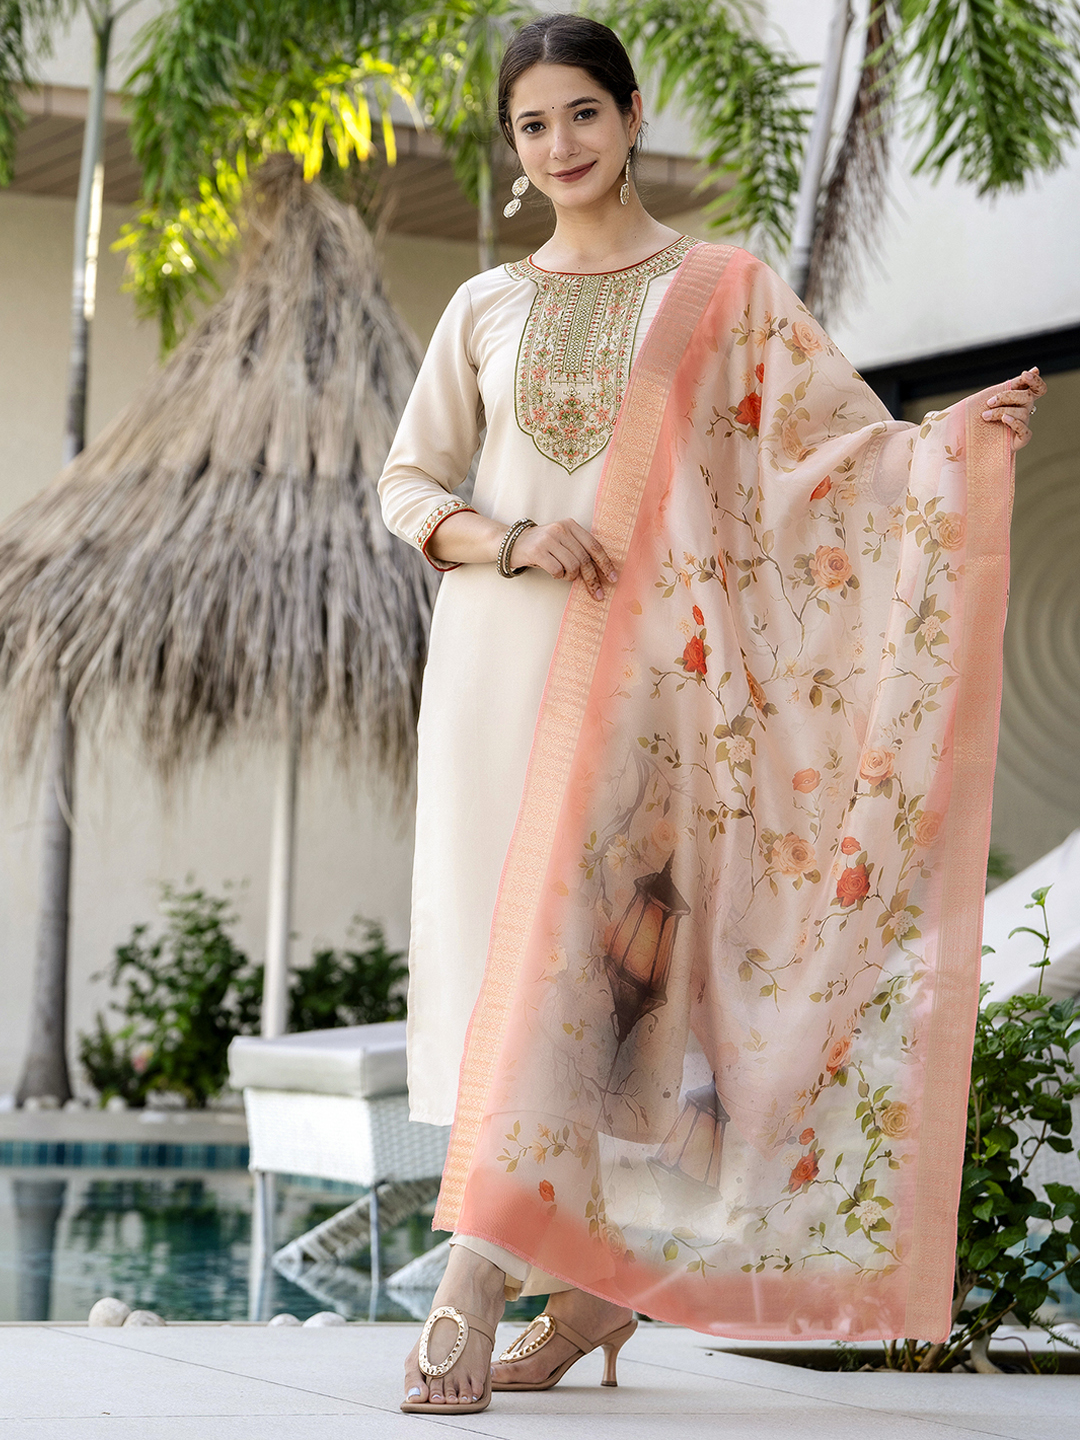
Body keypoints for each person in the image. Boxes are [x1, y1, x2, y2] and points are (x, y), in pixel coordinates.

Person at [378, 13, 1043, 1418]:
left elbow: (824, 459)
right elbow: (408, 483)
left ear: (632, 115)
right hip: (495, 674)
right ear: (512, 151)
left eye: (582, 113)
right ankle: (589, 1297)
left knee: (591, 982)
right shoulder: (485, 306)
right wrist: (509, 540)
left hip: (651, 697)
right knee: (509, 967)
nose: (560, 144)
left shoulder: (723, 288)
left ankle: (473, 1284)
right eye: (532, 125)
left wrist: (948, 447)